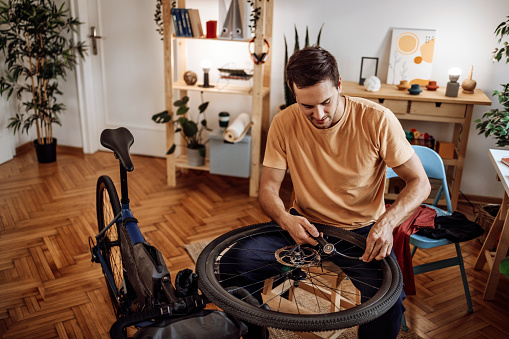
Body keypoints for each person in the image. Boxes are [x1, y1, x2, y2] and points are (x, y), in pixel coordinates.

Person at [223, 46, 431, 339]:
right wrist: (285, 219)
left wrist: (387, 224)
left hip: (362, 230)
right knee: (233, 264)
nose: (318, 114)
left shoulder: (377, 119)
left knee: (387, 303)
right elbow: (268, 188)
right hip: (302, 225)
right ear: (293, 94)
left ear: (339, 85)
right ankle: (256, 332)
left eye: (326, 102)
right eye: (307, 106)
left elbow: (420, 183)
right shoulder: (284, 122)